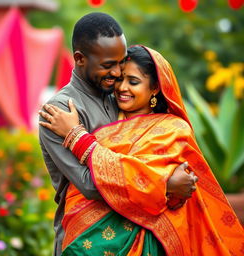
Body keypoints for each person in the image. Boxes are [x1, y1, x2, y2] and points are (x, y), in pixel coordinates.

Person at [39, 45, 244, 255]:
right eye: (120, 79)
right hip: (88, 237)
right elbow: (95, 182)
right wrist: (166, 184)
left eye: (133, 82)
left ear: (155, 87)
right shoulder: (106, 117)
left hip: (149, 241)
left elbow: (159, 187)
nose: (122, 88)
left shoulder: (172, 129)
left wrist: (76, 137)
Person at [39, 13, 197, 256]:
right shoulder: (59, 112)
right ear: (80, 59)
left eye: (121, 62)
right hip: (88, 239)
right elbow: (91, 185)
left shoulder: (120, 99)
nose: (117, 73)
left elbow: (151, 159)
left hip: (139, 234)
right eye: (107, 65)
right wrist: (166, 184)